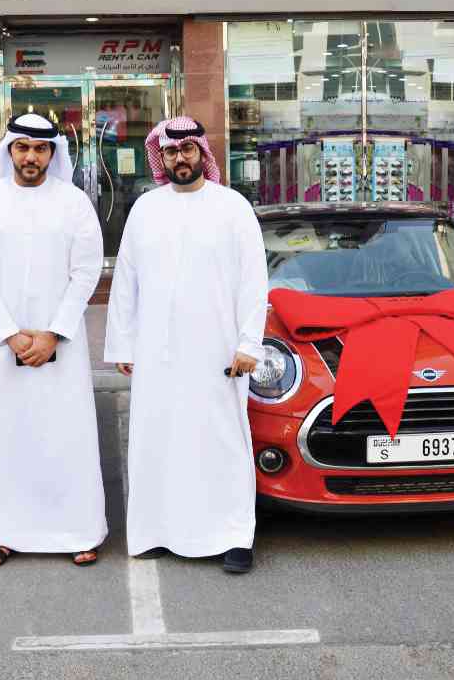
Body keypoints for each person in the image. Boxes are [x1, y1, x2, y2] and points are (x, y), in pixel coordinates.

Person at [104, 116, 269, 574]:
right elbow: (126, 281)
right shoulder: (145, 209)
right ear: (162, 156)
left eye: (188, 150)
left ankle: (234, 536)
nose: (180, 158)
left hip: (218, 349)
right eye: (172, 152)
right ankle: (158, 531)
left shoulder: (233, 207)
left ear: (202, 152)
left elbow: (254, 281)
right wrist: (123, 344)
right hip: (156, 349)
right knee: (158, 439)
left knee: (221, 441)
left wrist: (249, 343)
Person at [0, 112, 107, 568]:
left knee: (64, 436)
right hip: (1, 345)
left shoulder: (74, 202)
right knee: (2, 437)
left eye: (40, 149)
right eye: (23, 148)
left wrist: (53, 333)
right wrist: (10, 334)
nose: (31, 157)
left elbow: (86, 272)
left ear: (52, 153)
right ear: (9, 150)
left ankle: (77, 531)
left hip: (62, 344)